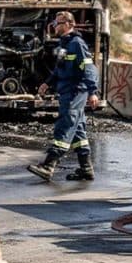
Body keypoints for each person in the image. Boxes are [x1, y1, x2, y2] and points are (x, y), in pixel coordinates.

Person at [27, 11, 100, 182]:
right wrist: (48, 83)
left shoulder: (77, 44)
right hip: (67, 91)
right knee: (78, 131)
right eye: (55, 22)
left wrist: (93, 92)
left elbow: (89, 69)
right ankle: (86, 169)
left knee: (65, 125)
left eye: (58, 23)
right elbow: (60, 69)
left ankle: (48, 166)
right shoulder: (64, 44)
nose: (55, 26)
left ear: (69, 24)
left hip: (75, 92)